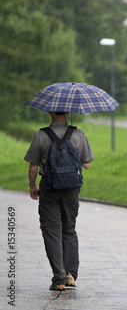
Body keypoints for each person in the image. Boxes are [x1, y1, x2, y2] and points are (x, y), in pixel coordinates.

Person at [24, 112, 94, 291]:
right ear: (68, 113)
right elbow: (87, 164)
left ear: (49, 112)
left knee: (52, 231)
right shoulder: (78, 134)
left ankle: (59, 278)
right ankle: (71, 275)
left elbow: (33, 166)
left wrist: (32, 185)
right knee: (69, 229)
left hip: (49, 189)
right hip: (71, 190)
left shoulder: (41, 135)